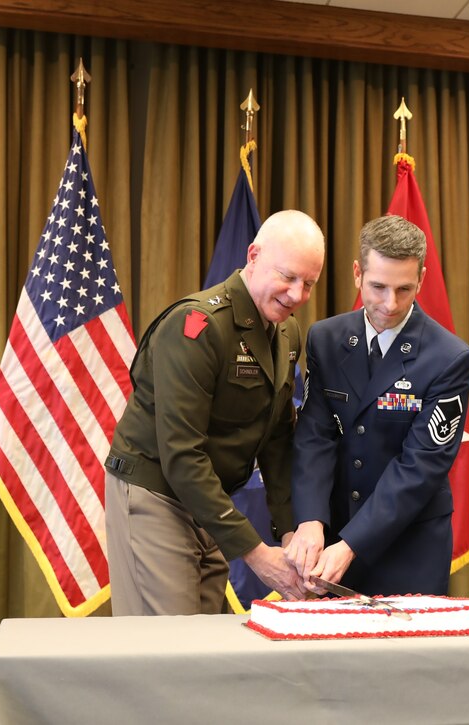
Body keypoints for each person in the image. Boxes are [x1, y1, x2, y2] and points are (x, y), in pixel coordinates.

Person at [104, 209, 325, 615]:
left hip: (209, 498)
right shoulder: (198, 326)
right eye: (288, 277)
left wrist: (289, 530)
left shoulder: (287, 331)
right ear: (254, 255)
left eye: (308, 283)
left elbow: (277, 439)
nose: (297, 295)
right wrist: (258, 555)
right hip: (157, 491)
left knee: (205, 641)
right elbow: (182, 454)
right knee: (167, 647)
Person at [284, 214, 469, 597]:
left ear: (421, 280)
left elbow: (419, 468)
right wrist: (310, 520)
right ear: (357, 273)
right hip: (332, 535)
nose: (390, 304)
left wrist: (352, 544)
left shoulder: (450, 358)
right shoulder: (326, 338)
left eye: (404, 289)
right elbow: (315, 436)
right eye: (378, 287)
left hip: (410, 546)